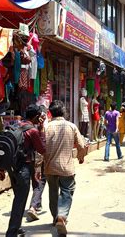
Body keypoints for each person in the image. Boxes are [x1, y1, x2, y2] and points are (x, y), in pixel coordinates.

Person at [0, 104, 46, 237]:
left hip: (12, 168)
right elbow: (42, 149)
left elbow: (8, 146)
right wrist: (41, 129)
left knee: (18, 198)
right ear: (36, 117)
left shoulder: (16, 126)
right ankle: (11, 232)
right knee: (20, 201)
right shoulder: (33, 131)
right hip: (24, 169)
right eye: (39, 117)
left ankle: (17, 227)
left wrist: (1, 169)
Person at [44, 100, 87, 236]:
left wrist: (38, 166)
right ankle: (62, 216)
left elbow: (40, 149)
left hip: (50, 167)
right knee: (67, 191)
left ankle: (55, 218)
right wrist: (81, 157)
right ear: (63, 111)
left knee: (52, 193)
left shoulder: (46, 127)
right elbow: (82, 145)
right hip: (67, 167)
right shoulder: (71, 126)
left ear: (50, 112)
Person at [27, 106, 48, 221]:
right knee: (39, 182)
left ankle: (37, 204)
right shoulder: (34, 130)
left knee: (37, 183)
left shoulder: (21, 126)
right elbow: (42, 146)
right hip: (36, 160)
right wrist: (42, 128)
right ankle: (33, 206)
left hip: (24, 162)